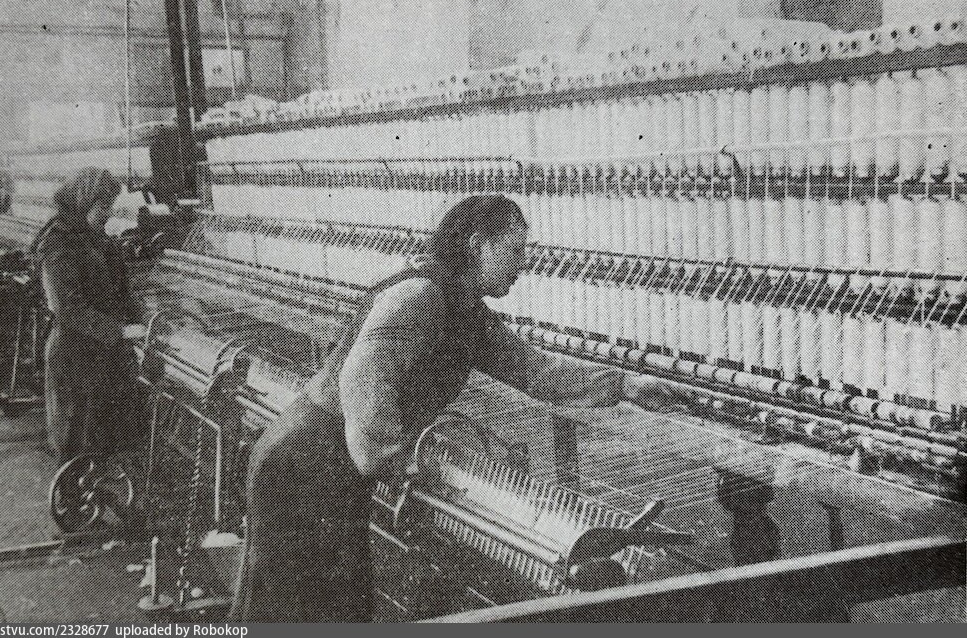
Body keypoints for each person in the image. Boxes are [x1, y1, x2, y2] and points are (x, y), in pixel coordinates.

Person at [228, 194, 685, 622]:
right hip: (305, 466)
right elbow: (363, 380)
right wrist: (395, 462)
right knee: (298, 610)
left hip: (328, 466)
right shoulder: (420, 297)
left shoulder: (464, 310)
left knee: (331, 607)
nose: (522, 265)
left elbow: (534, 370)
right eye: (515, 250)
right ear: (477, 245)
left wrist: (626, 385)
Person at [32, 168, 146, 467]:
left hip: (105, 355)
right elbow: (67, 307)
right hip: (74, 357)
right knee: (75, 447)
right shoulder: (57, 243)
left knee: (105, 446)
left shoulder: (99, 240)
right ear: (83, 202)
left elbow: (122, 291)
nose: (108, 213)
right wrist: (120, 331)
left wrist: (145, 318)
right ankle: (73, 494)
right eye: (103, 206)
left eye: (111, 206)